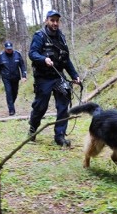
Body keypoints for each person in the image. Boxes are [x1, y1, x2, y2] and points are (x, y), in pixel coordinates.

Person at [28, 10, 81, 147]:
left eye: (57, 20)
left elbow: (66, 59)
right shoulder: (39, 36)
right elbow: (32, 53)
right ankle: (33, 129)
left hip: (58, 77)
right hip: (43, 78)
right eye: (52, 20)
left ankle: (60, 136)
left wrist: (74, 75)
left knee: (64, 103)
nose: (55, 23)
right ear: (47, 21)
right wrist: (43, 58)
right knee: (40, 106)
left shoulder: (61, 37)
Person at [0, 41, 27, 116]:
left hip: (16, 77)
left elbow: (22, 66)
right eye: (7, 49)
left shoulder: (17, 54)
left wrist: (24, 76)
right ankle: (11, 110)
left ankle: (11, 104)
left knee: (14, 93)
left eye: (10, 49)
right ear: (5, 49)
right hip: (6, 78)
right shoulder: (1, 56)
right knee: (8, 92)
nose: (9, 50)